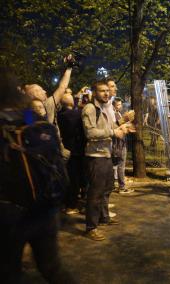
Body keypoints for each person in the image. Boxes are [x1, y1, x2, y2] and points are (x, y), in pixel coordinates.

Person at [0, 67, 76, 283]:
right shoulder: (30, 118)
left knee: (9, 271)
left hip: (11, 212)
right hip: (45, 206)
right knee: (52, 267)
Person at [81, 80, 130, 241]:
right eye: (102, 91)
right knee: (95, 193)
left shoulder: (103, 108)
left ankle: (103, 217)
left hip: (106, 154)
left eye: (107, 91)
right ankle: (91, 227)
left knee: (107, 188)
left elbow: (112, 127)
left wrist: (124, 123)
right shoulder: (90, 108)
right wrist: (113, 132)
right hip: (96, 156)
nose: (106, 93)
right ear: (94, 92)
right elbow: (90, 133)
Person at [57, 93, 86, 214]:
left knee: (70, 177)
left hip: (66, 149)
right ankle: (73, 204)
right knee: (76, 178)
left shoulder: (59, 115)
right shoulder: (77, 114)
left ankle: (69, 203)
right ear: (71, 102)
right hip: (77, 150)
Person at [112, 97, 134, 194]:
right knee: (121, 165)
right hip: (119, 143)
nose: (120, 106)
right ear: (113, 105)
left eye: (120, 104)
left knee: (115, 165)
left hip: (119, 142)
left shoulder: (118, 113)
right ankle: (122, 186)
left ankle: (113, 185)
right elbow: (118, 127)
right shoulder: (115, 114)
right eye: (118, 105)